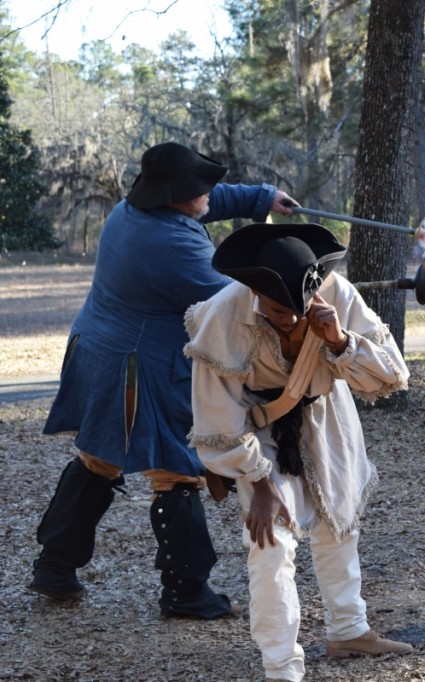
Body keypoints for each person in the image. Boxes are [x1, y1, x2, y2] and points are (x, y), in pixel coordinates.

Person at [30, 141, 298, 619]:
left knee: (97, 458)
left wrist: (262, 198)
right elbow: (236, 305)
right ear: (175, 196)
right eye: (200, 190)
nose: (207, 196)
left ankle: (54, 566)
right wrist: (294, 287)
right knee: (176, 470)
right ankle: (186, 591)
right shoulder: (172, 244)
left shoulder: (130, 210)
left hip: (100, 348)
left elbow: (210, 200)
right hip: (137, 366)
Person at [185, 223, 413, 680]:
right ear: (253, 292)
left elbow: (391, 375)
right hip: (259, 427)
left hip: (327, 412)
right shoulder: (221, 316)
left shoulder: (338, 294)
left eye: (298, 308)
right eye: (277, 309)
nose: (290, 318)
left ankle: (348, 630)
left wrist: (339, 341)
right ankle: (282, 668)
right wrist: (259, 482)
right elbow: (217, 418)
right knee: (270, 544)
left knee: (339, 521)